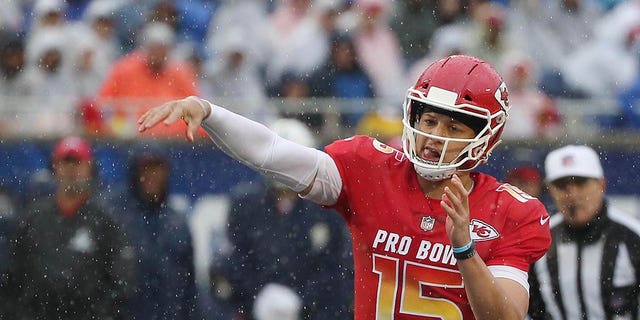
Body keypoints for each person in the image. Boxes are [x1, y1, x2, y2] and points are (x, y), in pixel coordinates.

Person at [138, 54, 552, 319]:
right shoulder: (371, 171)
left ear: (485, 137)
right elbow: (272, 153)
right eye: (428, 120)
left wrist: (464, 248)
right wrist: (211, 112)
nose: (433, 136)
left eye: (452, 125)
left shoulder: (510, 210)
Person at [220, 118, 353, 320]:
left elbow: (335, 268)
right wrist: (256, 298)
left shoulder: (326, 208)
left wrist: (305, 302)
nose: (286, 168)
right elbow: (235, 261)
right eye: (280, 160)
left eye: (291, 160)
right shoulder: (246, 205)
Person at [9, 136, 135, 319]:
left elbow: (123, 281)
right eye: (65, 163)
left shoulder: (106, 221)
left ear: (89, 167)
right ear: (55, 167)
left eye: (77, 163)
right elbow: (15, 276)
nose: (71, 170)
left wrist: (97, 313)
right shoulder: (34, 219)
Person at [528, 145, 640, 319]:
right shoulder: (537, 240)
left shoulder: (633, 236)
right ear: (550, 190)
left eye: (580, 182)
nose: (572, 193)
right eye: (561, 185)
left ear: (601, 185)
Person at [109, 142, 198, 319]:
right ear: (135, 172)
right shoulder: (114, 215)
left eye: (157, 168)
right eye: (146, 168)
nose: (152, 175)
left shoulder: (177, 222)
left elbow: (189, 286)